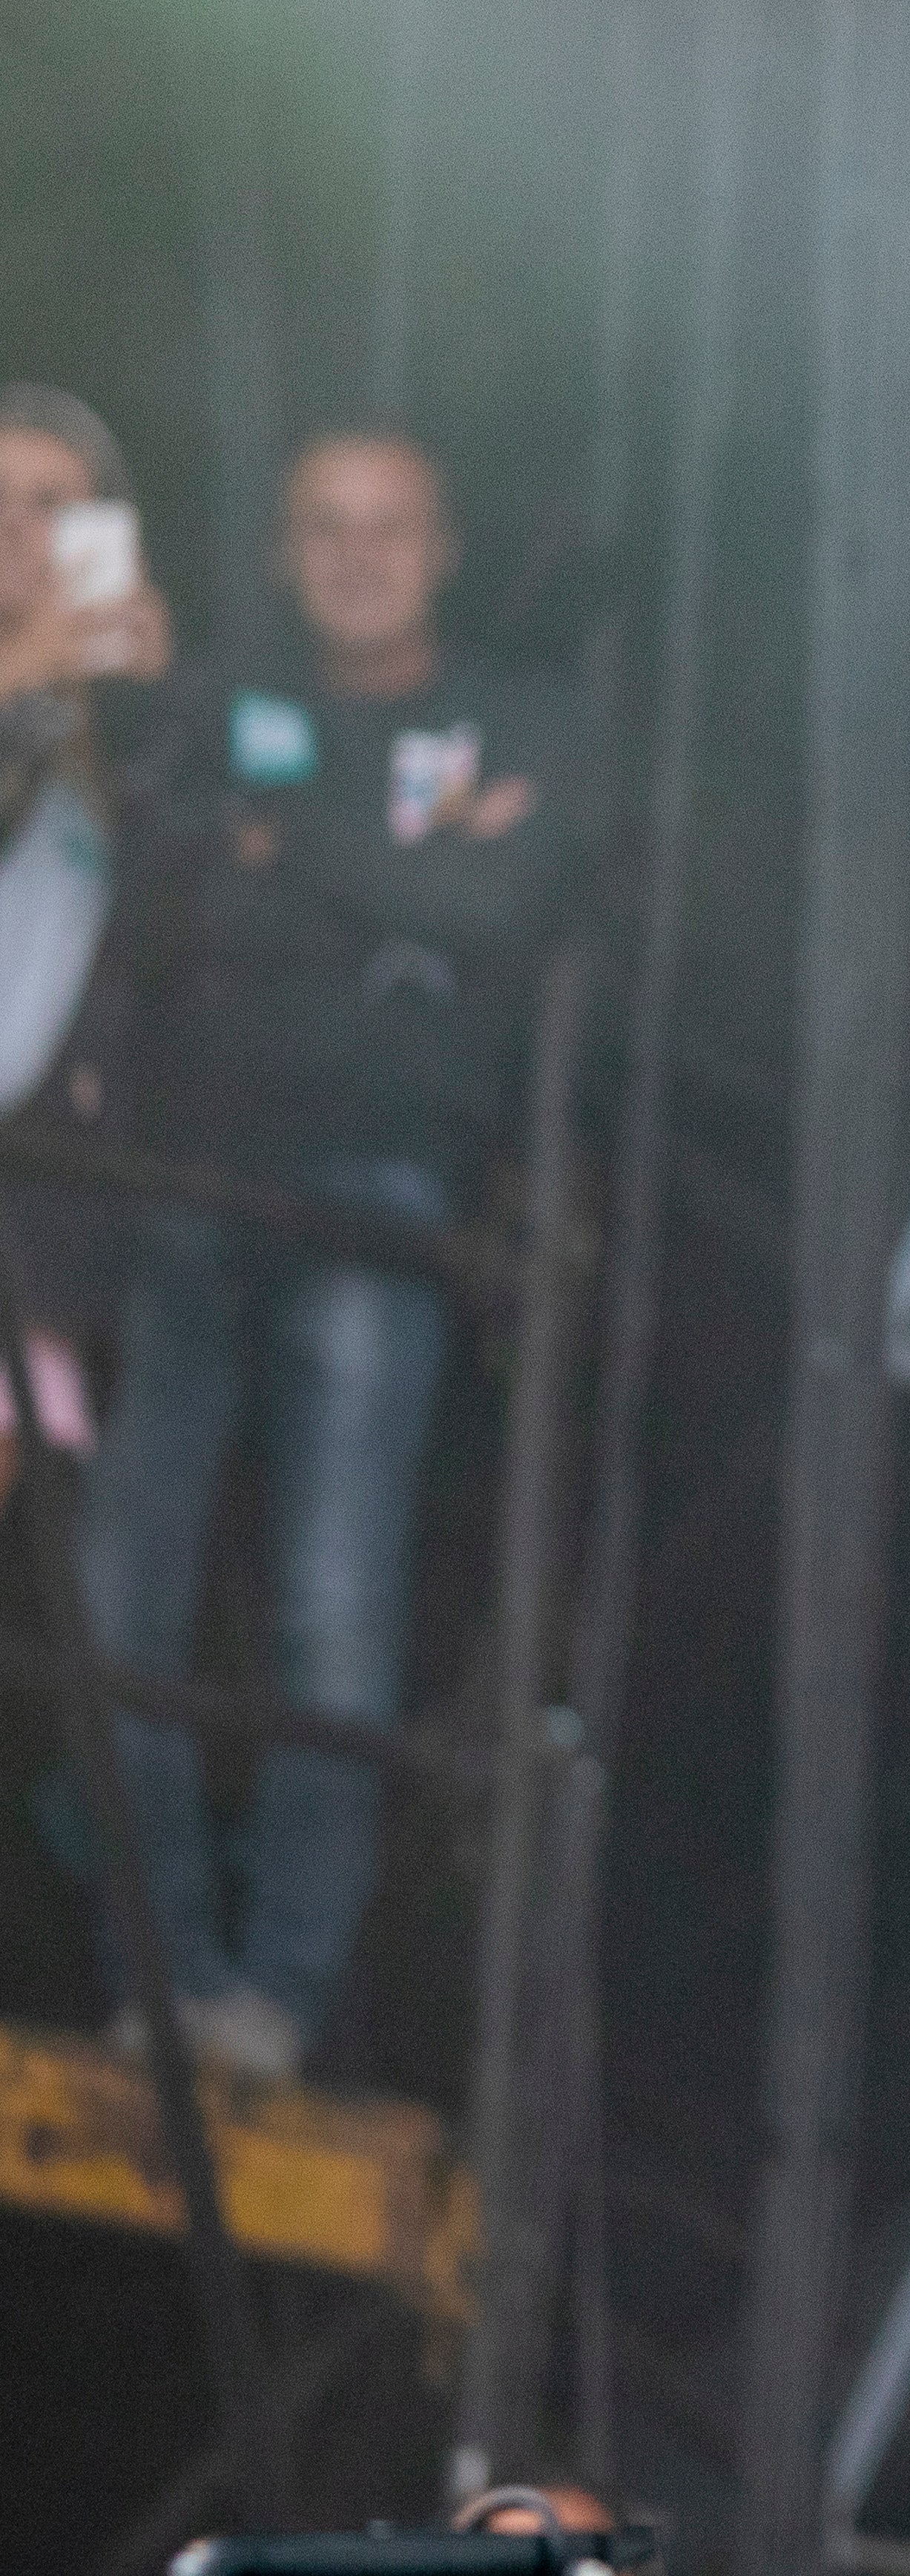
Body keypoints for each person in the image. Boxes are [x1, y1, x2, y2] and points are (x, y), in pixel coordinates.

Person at [80, 428, 592, 2086]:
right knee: (117, 1593)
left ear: (441, 547)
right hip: (188, 1171)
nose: (357, 557)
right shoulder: (218, 699)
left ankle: (276, 1996)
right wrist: (387, 882)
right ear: (288, 550)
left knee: (334, 1603)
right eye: (324, 528)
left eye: (388, 529)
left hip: (380, 1189)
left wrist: (284, 839)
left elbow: (493, 915)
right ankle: (159, 1976)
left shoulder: (523, 721)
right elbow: (156, 912)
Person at [0, 384, 174, 1494]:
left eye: (52, 504)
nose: (18, 530)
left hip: (32, 1190)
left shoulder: (119, 729)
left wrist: (158, 715)